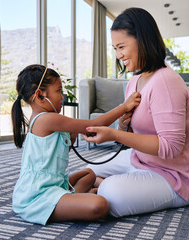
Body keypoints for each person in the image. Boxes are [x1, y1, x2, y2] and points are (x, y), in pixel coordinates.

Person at [82, 7, 189, 218]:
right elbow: (133, 136)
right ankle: (108, 183)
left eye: (121, 46)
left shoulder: (166, 81)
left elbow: (171, 147)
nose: (118, 55)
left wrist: (115, 134)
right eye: (114, 48)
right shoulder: (134, 82)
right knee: (86, 172)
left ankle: (107, 186)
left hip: (175, 175)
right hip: (141, 159)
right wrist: (123, 124)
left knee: (110, 193)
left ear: (142, 40)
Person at [11, 64, 141, 225]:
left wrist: (72, 134)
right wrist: (124, 106)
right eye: (58, 91)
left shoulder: (49, 119)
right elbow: (95, 123)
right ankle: (76, 201)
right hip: (38, 195)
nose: (62, 97)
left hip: (54, 183)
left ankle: (73, 200)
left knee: (89, 174)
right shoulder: (46, 119)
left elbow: (62, 149)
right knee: (99, 205)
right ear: (40, 95)